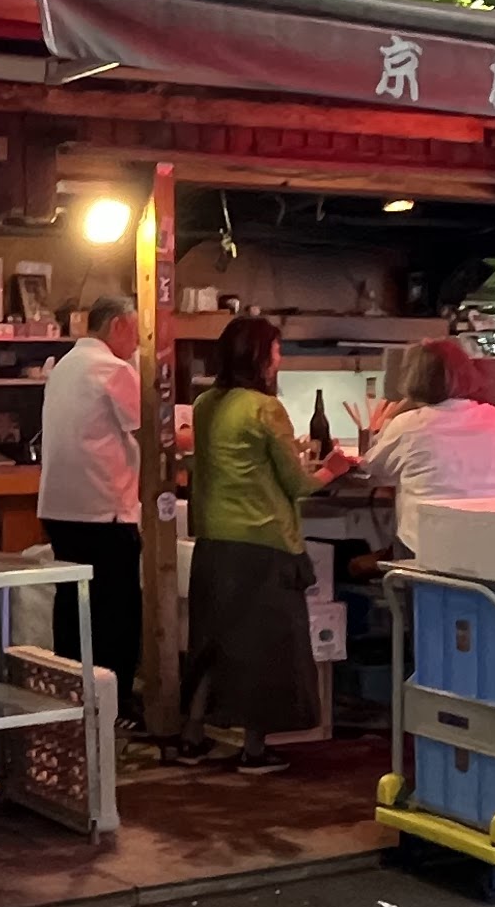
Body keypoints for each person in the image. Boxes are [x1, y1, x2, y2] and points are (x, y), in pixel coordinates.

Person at [175, 313, 317, 770]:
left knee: (212, 643)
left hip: (215, 540)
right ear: (259, 356)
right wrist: (335, 467)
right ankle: (253, 751)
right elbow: (298, 484)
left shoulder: (205, 405)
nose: (279, 360)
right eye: (276, 351)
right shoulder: (264, 408)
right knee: (267, 650)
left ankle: (192, 738)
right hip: (264, 540)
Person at [37, 295, 147, 726]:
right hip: (103, 511)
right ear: (118, 325)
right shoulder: (113, 369)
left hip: (60, 509)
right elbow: (150, 426)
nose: (138, 341)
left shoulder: (64, 365)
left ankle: (71, 696)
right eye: (136, 330)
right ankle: (113, 707)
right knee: (117, 612)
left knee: (72, 606)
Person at [359, 337, 495, 520]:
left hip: (427, 540)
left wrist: (382, 428)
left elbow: (373, 468)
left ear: (411, 378)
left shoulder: (407, 424)